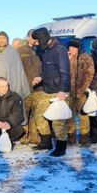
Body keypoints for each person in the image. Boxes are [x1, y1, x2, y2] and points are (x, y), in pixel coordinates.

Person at [30, 27, 71, 156]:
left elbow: (65, 73)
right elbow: (49, 70)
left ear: (42, 39)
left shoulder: (59, 50)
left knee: (58, 121)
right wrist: (41, 77)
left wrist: (63, 91)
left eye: (36, 41)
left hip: (58, 91)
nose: (35, 43)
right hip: (48, 90)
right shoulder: (46, 51)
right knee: (39, 114)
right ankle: (46, 142)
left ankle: (61, 147)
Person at [66, 39, 94, 146]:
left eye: (73, 47)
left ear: (78, 48)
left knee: (83, 115)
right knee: (70, 115)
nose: (71, 49)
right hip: (70, 92)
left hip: (82, 92)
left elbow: (90, 74)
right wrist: (68, 60)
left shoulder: (86, 57)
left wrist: (83, 89)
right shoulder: (68, 58)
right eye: (70, 47)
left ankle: (84, 137)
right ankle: (71, 137)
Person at [0, 31, 30, 99]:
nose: (1, 40)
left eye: (4, 38)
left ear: (7, 39)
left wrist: (23, 86)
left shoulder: (13, 52)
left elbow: (19, 70)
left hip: (12, 84)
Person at [0, 77, 25, 150]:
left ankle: (8, 140)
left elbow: (18, 113)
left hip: (8, 122)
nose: (5, 88)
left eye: (6, 86)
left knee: (19, 129)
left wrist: (9, 123)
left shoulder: (15, 96)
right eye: (2, 86)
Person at [17, 29, 42, 145]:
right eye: (32, 36)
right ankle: (23, 135)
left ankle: (34, 136)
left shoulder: (42, 50)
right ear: (28, 38)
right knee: (25, 112)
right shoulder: (20, 51)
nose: (34, 39)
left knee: (36, 113)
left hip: (39, 88)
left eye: (36, 37)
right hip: (25, 87)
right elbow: (16, 70)